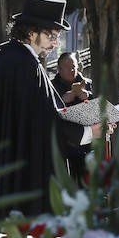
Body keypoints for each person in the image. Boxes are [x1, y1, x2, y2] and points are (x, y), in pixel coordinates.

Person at [0, 0, 101, 220]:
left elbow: (39, 113)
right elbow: (46, 120)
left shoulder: (13, 58)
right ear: (32, 33)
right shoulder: (24, 64)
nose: (55, 43)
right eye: (51, 35)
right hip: (19, 175)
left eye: (57, 36)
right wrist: (89, 132)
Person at [52, 52, 94, 184]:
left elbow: (96, 108)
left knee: (85, 182)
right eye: (68, 67)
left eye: (74, 67)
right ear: (59, 69)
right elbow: (49, 112)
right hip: (63, 142)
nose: (72, 70)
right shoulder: (51, 86)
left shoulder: (87, 84)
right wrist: (63, 100)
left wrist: (88, 97)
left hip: (85, 142)